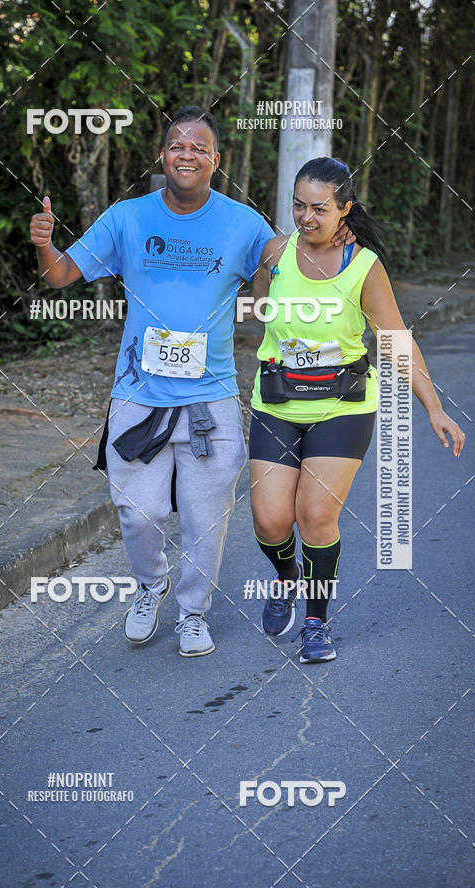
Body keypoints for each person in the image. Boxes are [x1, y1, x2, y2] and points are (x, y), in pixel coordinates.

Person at [30, 106, 279, 657]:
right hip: (138, 394)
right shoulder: (128, 217)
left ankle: (193, 613)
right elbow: (61, 274)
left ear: (216, 159)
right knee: (136, 511)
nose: (186, 153)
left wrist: (293, 251)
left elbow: (277, 276)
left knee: (205, 519)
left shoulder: (242, 221)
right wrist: (45, 242)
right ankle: (150, 584)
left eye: (199, 147)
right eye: (176, 145)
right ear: (162, 156)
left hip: (210, 401)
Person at [249, 156, 466, 663]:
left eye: (319, 208)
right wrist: (268, 278)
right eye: (298, 206)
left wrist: (433, 407)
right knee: (270, 522)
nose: (306, 217)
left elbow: (396, 341)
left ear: (344, 208)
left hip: (342, 405)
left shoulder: (362, 265)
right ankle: (286, 577)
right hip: (278, 400)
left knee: (316, 515)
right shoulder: (276, 252)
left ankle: (316, 622)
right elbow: (258, 307)